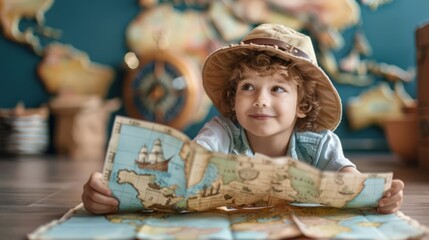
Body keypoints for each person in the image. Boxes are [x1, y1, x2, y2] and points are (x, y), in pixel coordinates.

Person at [82, 23, 404, 215]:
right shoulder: (221, 132)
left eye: (278, 88)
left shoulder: (318, 145)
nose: (260, 99)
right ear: (234, 98)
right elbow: (190, 162)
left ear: (303, 104)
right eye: (247, 86)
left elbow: (348, 176)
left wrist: (377, 195)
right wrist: (114, 195)